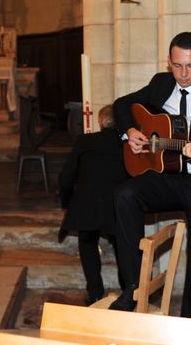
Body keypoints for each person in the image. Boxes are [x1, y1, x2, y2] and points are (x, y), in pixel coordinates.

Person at [109, 31, 191, 318]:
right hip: (170, 175)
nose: (183, 74)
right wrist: (130, 131)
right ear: (169, 61)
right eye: (177, 65)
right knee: (124, 194)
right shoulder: (161, 83)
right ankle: (131, 288)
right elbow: (121, 105)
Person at [58, 105, 128, 305]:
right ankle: (127, 290)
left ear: (100, 121)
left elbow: (66, 176)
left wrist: (68, 202)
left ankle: (95, 292)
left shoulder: (85, 141)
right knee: (121, 245)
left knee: (87, 243)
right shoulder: (127, 145)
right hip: (117, 205)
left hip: (88, 203)